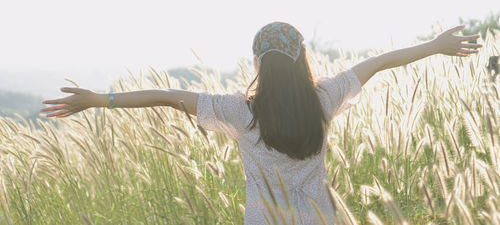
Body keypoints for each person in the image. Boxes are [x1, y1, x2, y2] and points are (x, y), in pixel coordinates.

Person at [40, 22, 483, 224]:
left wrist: (101, 99)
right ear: (302, 60)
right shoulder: (323, 99)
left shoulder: (240, 112)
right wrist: (435, 45)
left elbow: (167, 96)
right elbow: (380, 62)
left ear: (259, 63)